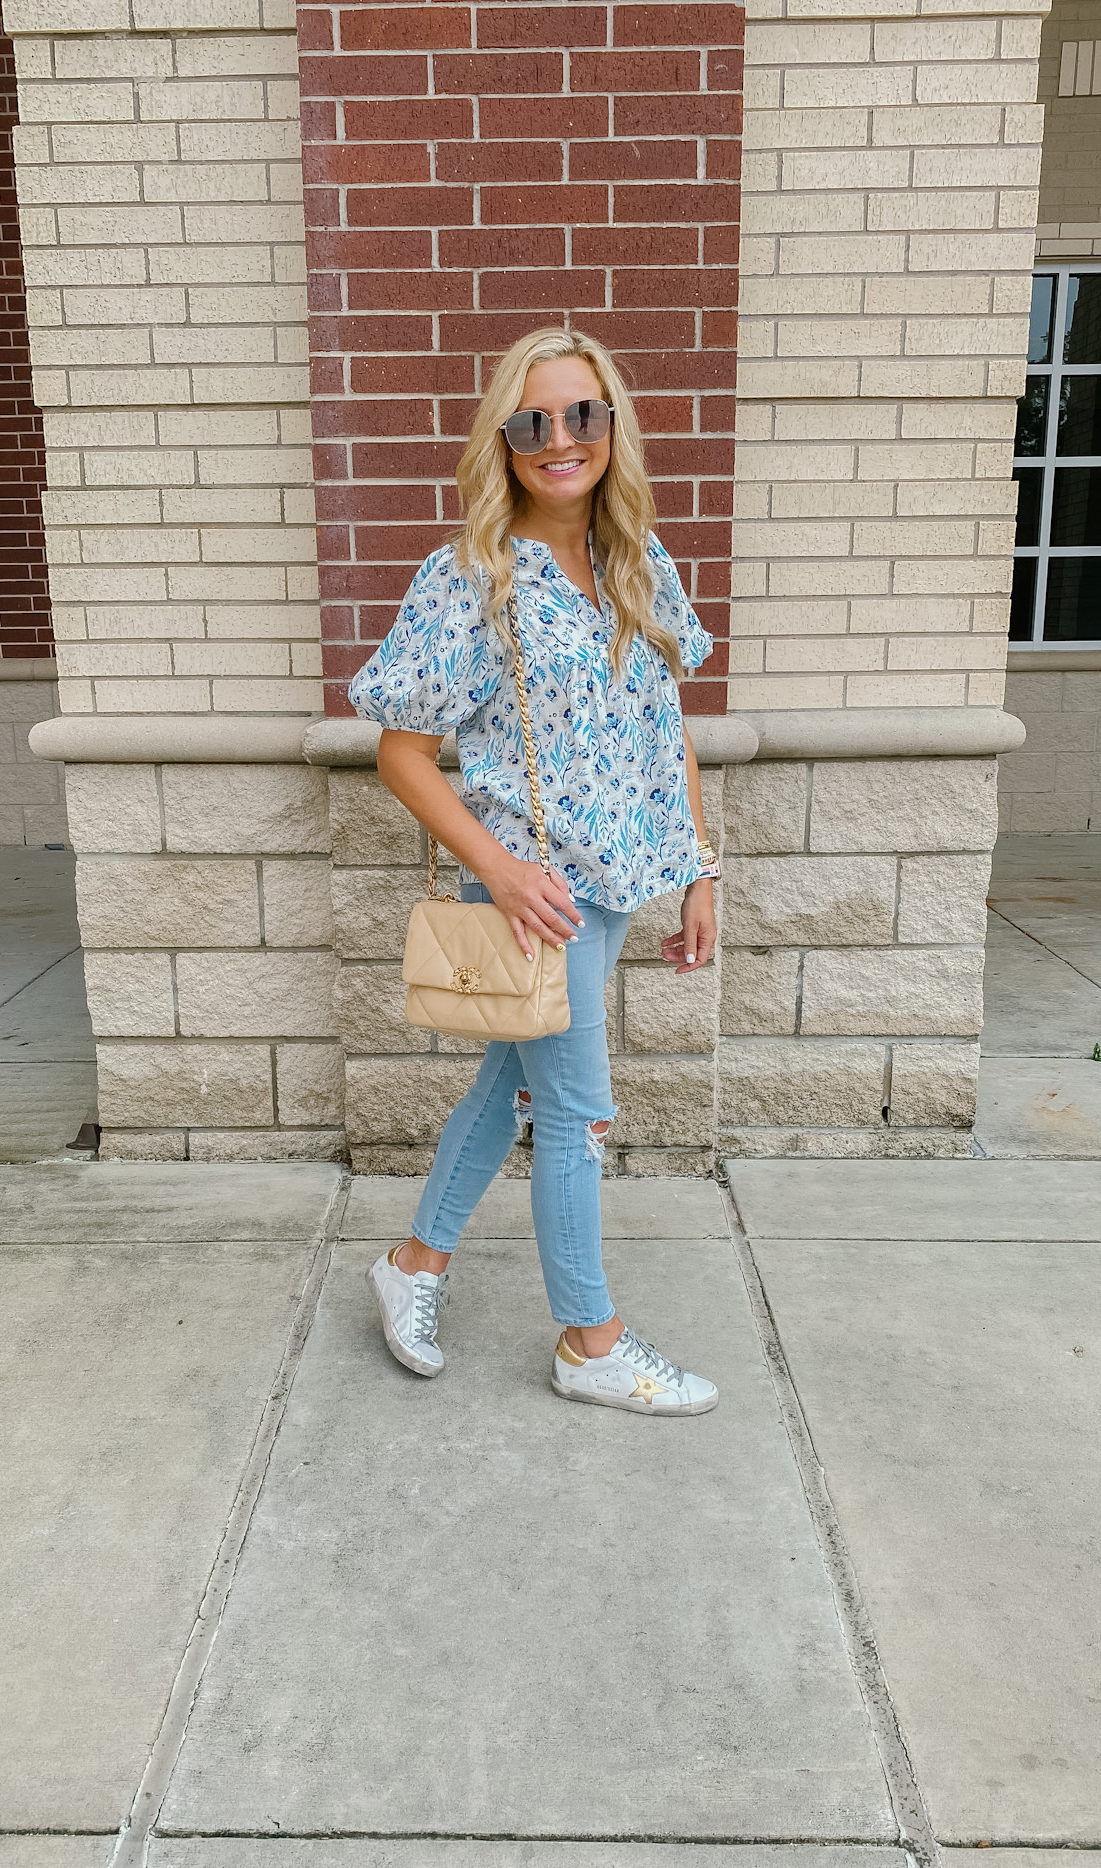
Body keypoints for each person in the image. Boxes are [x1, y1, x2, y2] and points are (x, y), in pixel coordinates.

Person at [348, 326, 722, 1416]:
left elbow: (669, 729)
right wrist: (500, 869)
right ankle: (589, 1339)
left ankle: (412, 1264)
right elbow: (401, 750)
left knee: (512, 1087)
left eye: (583, 415)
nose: (560, 440)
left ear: (612, 429)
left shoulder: (639, 562)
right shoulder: (472, 575)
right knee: (577, 1113)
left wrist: (700, 868)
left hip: (613, 886)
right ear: (504, 441)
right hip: (531, 895)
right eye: (533, 421)